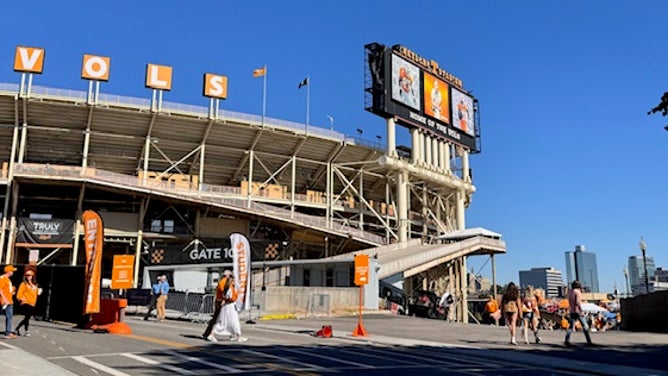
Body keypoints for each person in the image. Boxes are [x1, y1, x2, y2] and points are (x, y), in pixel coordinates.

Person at [210, 275, 247, 343]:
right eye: (233, 281)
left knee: (223, 322)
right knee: (234, 321)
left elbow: (226, 297)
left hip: (227, 306)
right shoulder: (230, 288)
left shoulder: (227, 287)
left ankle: (235, 335)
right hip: (230, 307)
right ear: (231, 281)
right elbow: (230, 298)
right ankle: (239, 336)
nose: (234, 282)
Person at [202, 270, 231, 340]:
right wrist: (225, 298)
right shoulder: (224, 281)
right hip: (221, 302)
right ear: (227, 276)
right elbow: (223, 291)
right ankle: (209, 333)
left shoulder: (223, 281)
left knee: (223, 318)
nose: (231, 278)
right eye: (230, 276)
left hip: (220, 301)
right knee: (219, 318)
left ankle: (208, 333)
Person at [564, 280, 593, 347]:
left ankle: (567, 340)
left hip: (572, 311)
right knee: (585, 326)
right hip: (577, 311)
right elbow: (578, 302)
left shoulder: (570, 292)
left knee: (570, 327)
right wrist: (581, 310)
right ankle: (588, 341)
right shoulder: (578, 292)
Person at [15, 269, 41, 337]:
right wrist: (21, 298)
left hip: (32, 303)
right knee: (27, 316)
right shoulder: (23, 284)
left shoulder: (35, 285)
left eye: (29, 275)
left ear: (32, 276)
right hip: (25, 302)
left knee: (27, 317)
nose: (28, 276)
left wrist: (39, 291)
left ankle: (17, 328)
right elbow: (19, 294)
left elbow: (37, 294)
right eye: (26, 275)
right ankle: (27, 331)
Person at [0, 265, 17, 339]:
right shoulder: (2, 278)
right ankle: (8, 332)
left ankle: (8, 332)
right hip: (5, 301)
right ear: (8, 271)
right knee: (9, 316)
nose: (13, 272)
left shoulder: (7, 279)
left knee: (9, 316)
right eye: (12, 271)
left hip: (9, 301)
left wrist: (12, 291)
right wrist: (4, 298)